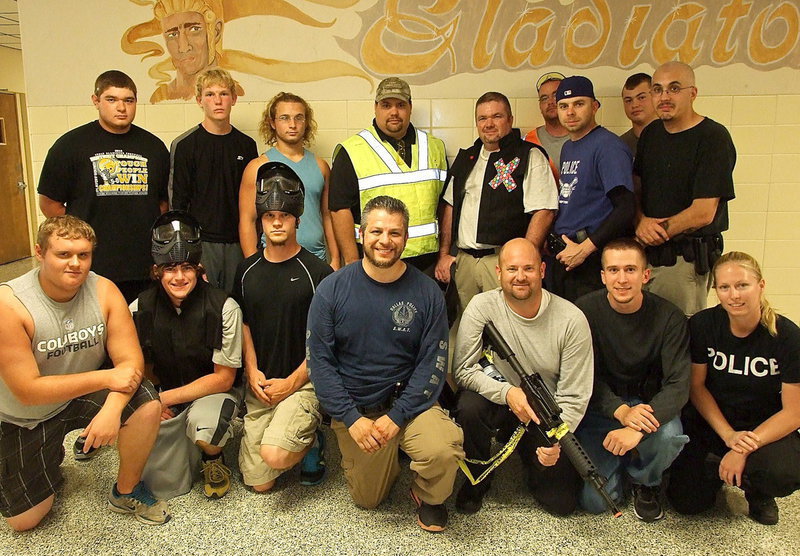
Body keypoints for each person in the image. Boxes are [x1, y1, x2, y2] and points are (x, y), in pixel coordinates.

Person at [0, 216, 169, 531]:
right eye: (63, 254)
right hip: (26, 415)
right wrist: (106, 379)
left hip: (77, 397)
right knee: (25, 521)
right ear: (40, 252)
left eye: (84, 255)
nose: (75, 264)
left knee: (146, 402)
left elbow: (130, 363)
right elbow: (27, 390)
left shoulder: (104, 290)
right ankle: (42, 456)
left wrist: (113, 409)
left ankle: (127, 491)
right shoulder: (10, 304)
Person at [307, 196, 463, 532]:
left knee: (443, 449)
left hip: (411, 404)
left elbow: (432, 364)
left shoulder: (427, 292)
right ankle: (390, 457)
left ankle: (428, 493)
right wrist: (351, 418)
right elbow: (319, 364)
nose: (385, 240)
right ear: (362, 233)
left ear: (406, 239)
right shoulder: (331, 290)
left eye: (395, 233)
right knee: (369, 500)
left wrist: (399, 415)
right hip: (358, 410)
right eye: (377, 231)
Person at [452, 238, 593, 516]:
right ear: (499, 272)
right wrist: (508, 394)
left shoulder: (572, 319)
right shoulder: (481, 306)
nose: (520, 277)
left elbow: (576, 394)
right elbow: (463, 370)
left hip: (545, 411)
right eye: (512, 268)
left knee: (561, 503)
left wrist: (556, 440)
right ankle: (478, 477)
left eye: (528, 269)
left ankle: (529, 457)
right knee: (469, 406)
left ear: (542, 270)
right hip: (500, 398)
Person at [667, 252, 800, 525]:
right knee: (687, 502)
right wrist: (728, 436)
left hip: (763, 428)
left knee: (782, 472)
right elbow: (697, 387)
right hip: (714, 423)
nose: (734, 295)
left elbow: (793, 412)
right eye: (724, 287)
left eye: (742, 285)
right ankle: (716, 469)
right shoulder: (703, 325)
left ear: (760, 285)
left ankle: (757, 490)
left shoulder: (787, 336)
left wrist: (743, 449)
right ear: (715, 290)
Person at [233, 162, 333, 493]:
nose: (277, 222)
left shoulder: (318, 273)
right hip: (261, 385)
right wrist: (251, 370)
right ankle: (285, 431)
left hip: (302, 383)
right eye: (269, 216)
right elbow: (244, 323)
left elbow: (325, 341)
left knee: (275, 455)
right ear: (260, 220)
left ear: (298, 220)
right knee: (260, 484)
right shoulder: (246, 271)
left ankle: (312, 438)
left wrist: (293, 382)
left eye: (285, 216)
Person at [574, 238, 690, 521]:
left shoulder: (670, 317)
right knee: (595, 503)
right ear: (603, 276)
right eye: (613, 270)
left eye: (630, 270)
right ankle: (624, 460)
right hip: (604, 409)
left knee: (669, 436)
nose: (622, 279)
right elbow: (582, 376)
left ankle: (645, 481)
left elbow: (678, 384)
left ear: (645, 275)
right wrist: (621, 412)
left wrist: (637, 428)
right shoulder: (583, 313)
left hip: (649, 408)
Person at [131, 210, 243, 500]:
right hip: (163, 392)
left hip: (212, 393)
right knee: (162, 483)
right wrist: (150, 397)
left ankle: (212, 458)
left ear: (199, 267)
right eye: (170, 268)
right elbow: (135, 363)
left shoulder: (224, 307)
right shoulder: (139, 308)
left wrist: (163, 399)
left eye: (187, 268)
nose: (179, 277)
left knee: (205, 430)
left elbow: (223, 379)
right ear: (157, 270)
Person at [37, 70, 169, 304]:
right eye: (112, 99)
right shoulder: (69, 146)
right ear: (96, 101)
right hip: (92, 265)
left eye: (128, 100)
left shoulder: (155, 147)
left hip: (143, 266)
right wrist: (77, 236)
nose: (121, 108)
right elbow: (49, 203)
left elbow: (162, 203)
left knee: (140, 333)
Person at [436, 91, 557, 314]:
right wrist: (444, 254)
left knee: (509, 326)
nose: (489, 124)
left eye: (497, 117)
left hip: (504, 263)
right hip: (465, 263)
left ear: (510, 120)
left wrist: (523, 262)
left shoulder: (528, 155)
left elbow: (544, 210)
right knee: (468, 325)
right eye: (482, 118)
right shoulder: (467, 158)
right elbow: (450, 206)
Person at [634, 61, 736, 316]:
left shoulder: (713, 137)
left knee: (678, 336)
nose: (664, 97)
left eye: (674, 88)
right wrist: (640, 221)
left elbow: (704, 212)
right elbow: (636, 187)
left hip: (683, 260)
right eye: (657, 90)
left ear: (693, 93)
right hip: (646, 256)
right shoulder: (651, 133)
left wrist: (655, 231)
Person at [328, 77, 447, 274]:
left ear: (410, 106)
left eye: (400, 105)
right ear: (375, 107)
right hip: (375, 262)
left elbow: (445, 204)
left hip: (427, 265)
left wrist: (444, 254)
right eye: (386, 105)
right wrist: (351, 263)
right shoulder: (352, 151)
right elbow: (339, 209)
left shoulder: (435, 147)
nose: (394, 112)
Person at [169, 68, 257, 293]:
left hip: (238, 242)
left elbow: (253, 202)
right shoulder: (185, 145)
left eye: (224, 94)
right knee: (202, 308)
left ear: (234, 99)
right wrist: (188, 255)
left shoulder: (246, 146)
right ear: (199, 100)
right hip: (202, 244)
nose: (217, 101)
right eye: (210, 94)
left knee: (236, 307)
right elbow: (178, 205)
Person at [549, 75, 635, 302]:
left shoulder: (608, 147)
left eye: (579, 104)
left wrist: (586, 248)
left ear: (594, 106)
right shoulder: (569, 146)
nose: (570, 112)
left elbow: (625, 208)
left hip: (589, 258)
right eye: (563, 106)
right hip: (566, 255)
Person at [239, 92, 339, 268]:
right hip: (273, 260)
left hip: (316, 258)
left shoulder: (321, 166)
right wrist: (253, 265)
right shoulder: (258, 167)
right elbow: (247, 220)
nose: (292, 125)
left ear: (306, 122)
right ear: (272, 122)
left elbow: (327, 216)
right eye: (284, 118)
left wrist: (336, 258)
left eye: (298, 118)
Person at [524, 71, 569, 178]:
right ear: (540, 106)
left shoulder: (584, 137)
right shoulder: (529, 140)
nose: (550, 102)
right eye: (544, 98)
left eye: (555, 95)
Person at [619, 73, 657, 155]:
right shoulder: (619, 145)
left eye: (641, 98)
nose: (634, 105)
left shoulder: (673, 138)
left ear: (655, 97)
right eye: (628, 100)